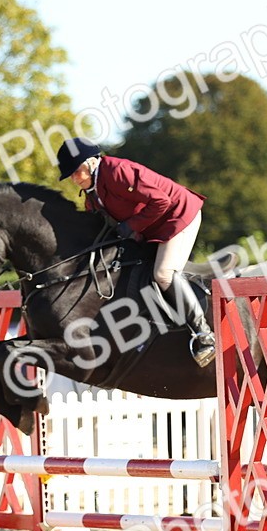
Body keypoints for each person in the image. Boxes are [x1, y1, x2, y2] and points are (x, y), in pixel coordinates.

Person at [56, 137, 215, 367]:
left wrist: (130, 226)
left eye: (75, 171)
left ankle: (204, 334)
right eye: (70, 174)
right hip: (154, 226)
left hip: (179, 214)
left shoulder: (117, 171)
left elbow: (161, 201)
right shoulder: (92, 194)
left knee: (162, 273)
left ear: (91, 163)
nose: (73, 178)